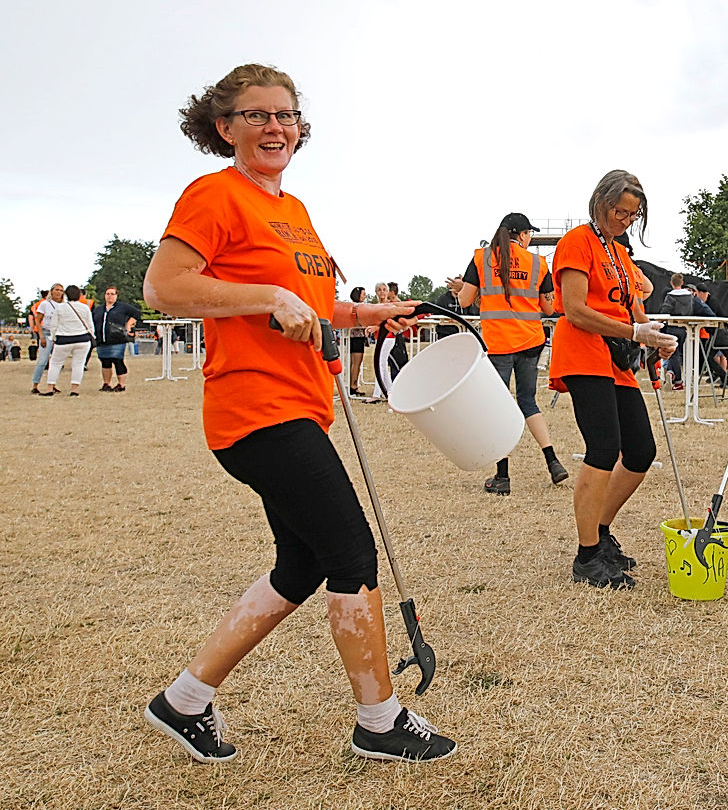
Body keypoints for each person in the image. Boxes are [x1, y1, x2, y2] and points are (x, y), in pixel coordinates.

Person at [141, 63, 456, 765]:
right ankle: (378, 718)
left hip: (301, 405)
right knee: (349, 551)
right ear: (225, 127)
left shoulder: (296, 211)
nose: (276, 126)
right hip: (256, 408)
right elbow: (163, 286)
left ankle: (185, 699)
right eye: (257, 115)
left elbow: (307, 306)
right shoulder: (214, 194)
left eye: (286, 115)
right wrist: (264, 297)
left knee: (303, 563)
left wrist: (366, 312)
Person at [548, 170, 677, 589]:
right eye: (618, 210)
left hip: (615, 358)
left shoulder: (618, 252)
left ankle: (600, 533)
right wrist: (634, 333)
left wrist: (652, 333)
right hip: (583, 353)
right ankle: (587, 557)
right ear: (599, 201)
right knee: (602, 448)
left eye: (632, 214)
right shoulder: (576, 242)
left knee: (640, 450)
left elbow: (630, 305)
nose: (624, 219)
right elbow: (574, 309)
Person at [452, 212, 567, 494]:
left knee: (498, 408)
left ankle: (502, 476)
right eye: (530, 234)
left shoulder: (481, 258)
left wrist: (469, 291)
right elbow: (550, 308)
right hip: (530, 341)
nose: (530, 239)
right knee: (528, 401)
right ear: (522, 234)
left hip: (498, 344)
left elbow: (465, 300)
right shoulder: (538, 263)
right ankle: (552, 460)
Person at [42, 285, 95, 396]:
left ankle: (50, 387)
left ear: (65, 294)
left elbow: (54, 325)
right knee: (78, 364)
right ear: (80, 295)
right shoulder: (85, 307)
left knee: (55, 363)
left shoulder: (60, 308)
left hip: (64, 339)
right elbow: (90, 325)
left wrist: (54, 338)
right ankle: (74, 389)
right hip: (82, 339)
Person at [92, 286, 141, 392]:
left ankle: (121, 384)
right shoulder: (99, 309)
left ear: (116, 295)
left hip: (117, 340)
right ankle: (106, 383)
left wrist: (129, 324)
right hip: (102, 340)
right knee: (105, 362)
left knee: (118, 361)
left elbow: (137, 313)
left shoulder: (122, 307)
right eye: (107, 294)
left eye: (112, 294)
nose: (109, 296)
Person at [695, 283, 728, 388]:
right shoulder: (708, 301)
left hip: (719, 332)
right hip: (715, 333)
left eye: (697, 294)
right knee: (711, 357)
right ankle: (725, 379)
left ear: (701, 293)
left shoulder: (712, 302)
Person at [659, 273, 691, 389]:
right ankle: (672, 374)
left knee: (673, 353)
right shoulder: (689, 296)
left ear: (671, 283)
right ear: (682, 283)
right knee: (679, 353)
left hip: (672, 327)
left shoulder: (670, 296)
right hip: (684, 328)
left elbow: (665, 310)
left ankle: (677, 380)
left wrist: (658, 322)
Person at [30, 284, 63, 394]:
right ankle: (35, 384)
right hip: (46, 332)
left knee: (56, 361)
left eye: (61, 291)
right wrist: (41, 336)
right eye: (57, 290)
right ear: (52, 291)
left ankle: (52, 384)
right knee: (42, 361)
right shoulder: (45, 304)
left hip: (58, 333)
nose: (59, 292)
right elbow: (38, 321)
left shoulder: (64, 305)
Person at [346, 286, 369, 396]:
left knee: (352, 363)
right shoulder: (359, 307)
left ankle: (351, 384)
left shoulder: (350, 307)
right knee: (356, 363)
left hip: (352, 337)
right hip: (358, 337)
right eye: (363, 294)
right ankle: (353, 386)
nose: (365, 296)